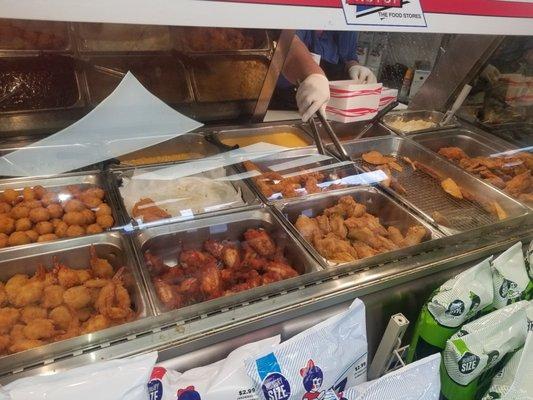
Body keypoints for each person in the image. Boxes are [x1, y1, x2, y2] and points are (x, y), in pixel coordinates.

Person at [274, 30, 377, 122]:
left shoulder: (346, 21)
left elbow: (349, 57)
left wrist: (354, 67)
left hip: (327, 103)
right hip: (281, 101)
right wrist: (313, 74)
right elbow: (285, 44)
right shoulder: (300, 14)